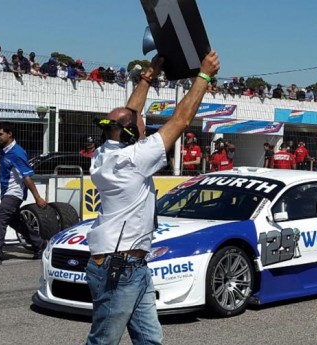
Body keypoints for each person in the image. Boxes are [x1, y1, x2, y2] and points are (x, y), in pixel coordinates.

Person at [84, 51, 220, 345]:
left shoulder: (105, 153)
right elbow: (182, 120)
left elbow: (130, 114)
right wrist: (204, 76)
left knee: (150, 340)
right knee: (103, 341)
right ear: (132, 135)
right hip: (120, 267)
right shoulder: (134, 159)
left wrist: (149, 76)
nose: (147, 128)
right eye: (143, 128)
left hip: (127, 265)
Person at [0, 123, 47, 266]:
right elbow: (11, 170)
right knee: (15, 222)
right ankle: (40, 245)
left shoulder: (17, 152)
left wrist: (37, 197)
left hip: (14, 194)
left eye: (0, 134)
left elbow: (27, 177)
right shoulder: (5, 151)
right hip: (6, 193)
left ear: (9, 134)